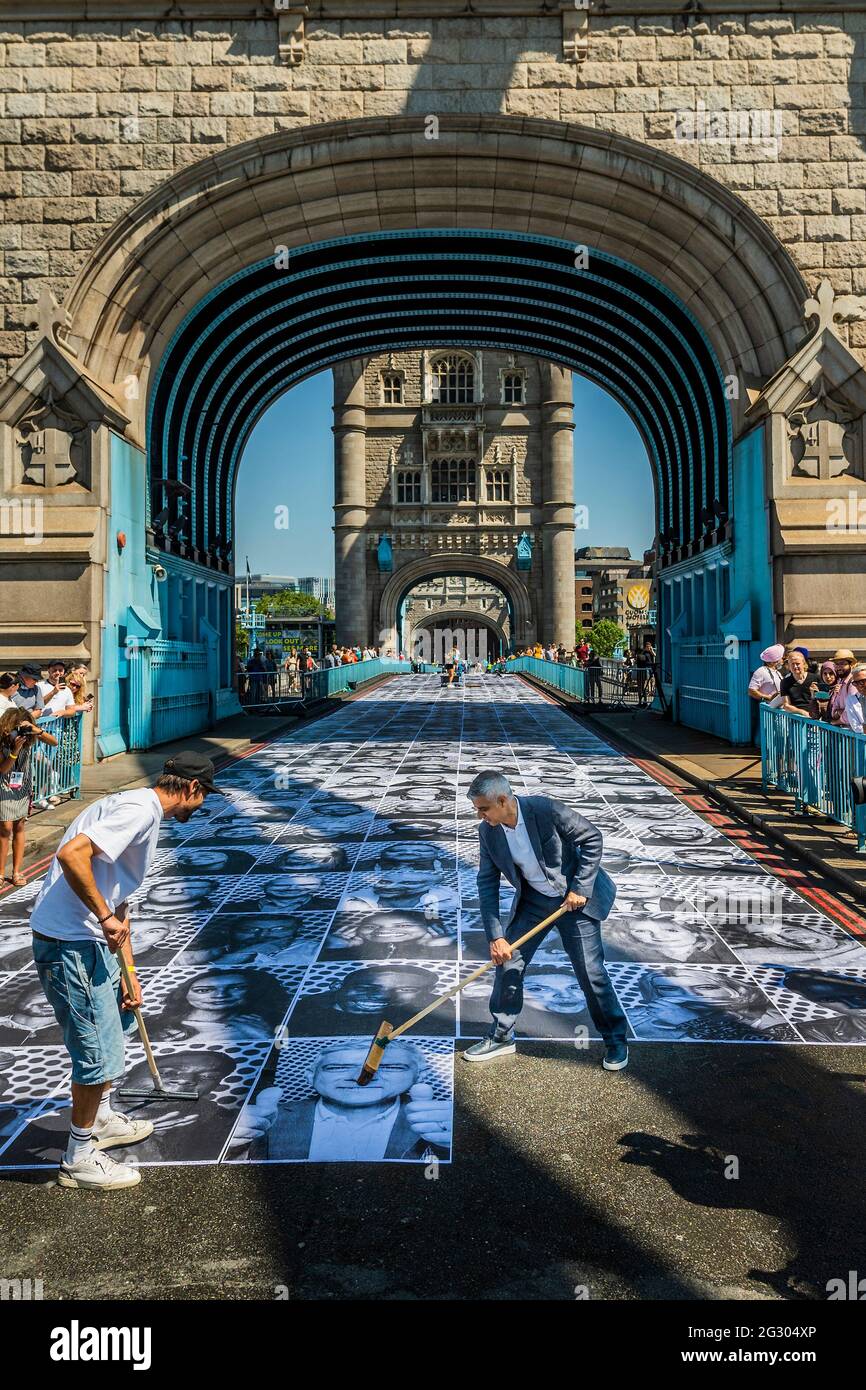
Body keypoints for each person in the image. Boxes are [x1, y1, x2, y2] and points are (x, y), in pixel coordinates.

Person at [28, 749, 222, 1191]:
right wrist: (103, 918)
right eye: (203, 796)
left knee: (116, 1025)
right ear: (191, 788)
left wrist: (129, 974)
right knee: (97, 1055)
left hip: (90, 942)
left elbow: (118, 897)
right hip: (72, 943)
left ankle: (100, 1118)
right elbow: (73, 856)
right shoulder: (138, 812)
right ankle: (78, 1157)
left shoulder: (132, 804)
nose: (202, 805)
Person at [463, 770, 628, 1069]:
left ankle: (615, 1039)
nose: (479, 816)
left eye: (483, 809)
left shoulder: (545, 810)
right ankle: (501, 1036)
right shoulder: (488, 832)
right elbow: (487, 882)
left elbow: (592, 838)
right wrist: (495, 936)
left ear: (503, 800)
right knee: (508, 959)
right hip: (534, 902)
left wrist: (580, 888)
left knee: (590, 972)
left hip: (572, 901)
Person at [230, 1039, 450, 1162]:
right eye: (338, 1067)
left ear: (418, 1077)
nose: (361, 1077)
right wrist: (234, 1148)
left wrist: (455, 1143)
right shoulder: (267, 1119)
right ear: (310, 1076)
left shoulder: (441, 1119)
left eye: (391, 1067)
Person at [0, 708, 58, 885]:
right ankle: (1, 873)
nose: (19, 731)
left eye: (22, 726)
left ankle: (16, 871)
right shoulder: (2, 741)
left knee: (19, 826)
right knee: (5, 828)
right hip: (3, 785)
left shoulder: (29, 737)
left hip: (23, 786)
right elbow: (3, 769)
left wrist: (36, 730)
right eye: (16, 727)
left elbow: (54, 742)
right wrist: (14, 751)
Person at [779, 648, 817, 716]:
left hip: (815, 719)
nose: (795, 666)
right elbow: (786, 705)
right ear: (789, 666)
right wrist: (802, 712)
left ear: (804, 664)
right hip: (796, 720)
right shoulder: (784, 682)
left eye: (797, 664)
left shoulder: (816, 678)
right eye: (792, 664)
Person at [828, 648, 857, 726]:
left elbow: (852, 712)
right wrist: (838, 712)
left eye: (842, 663)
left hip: (853, 733)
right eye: (836, 664)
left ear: (851, 665)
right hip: (843, 732)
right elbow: (834, 710)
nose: (839, 667)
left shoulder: (853, 683)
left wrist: (837, 721)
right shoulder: (840, 682)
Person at [846, 663, 866, 734]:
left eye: (861, 682)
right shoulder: (861, 698)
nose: (858, 686)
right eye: (855, 683)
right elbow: (858, 727)